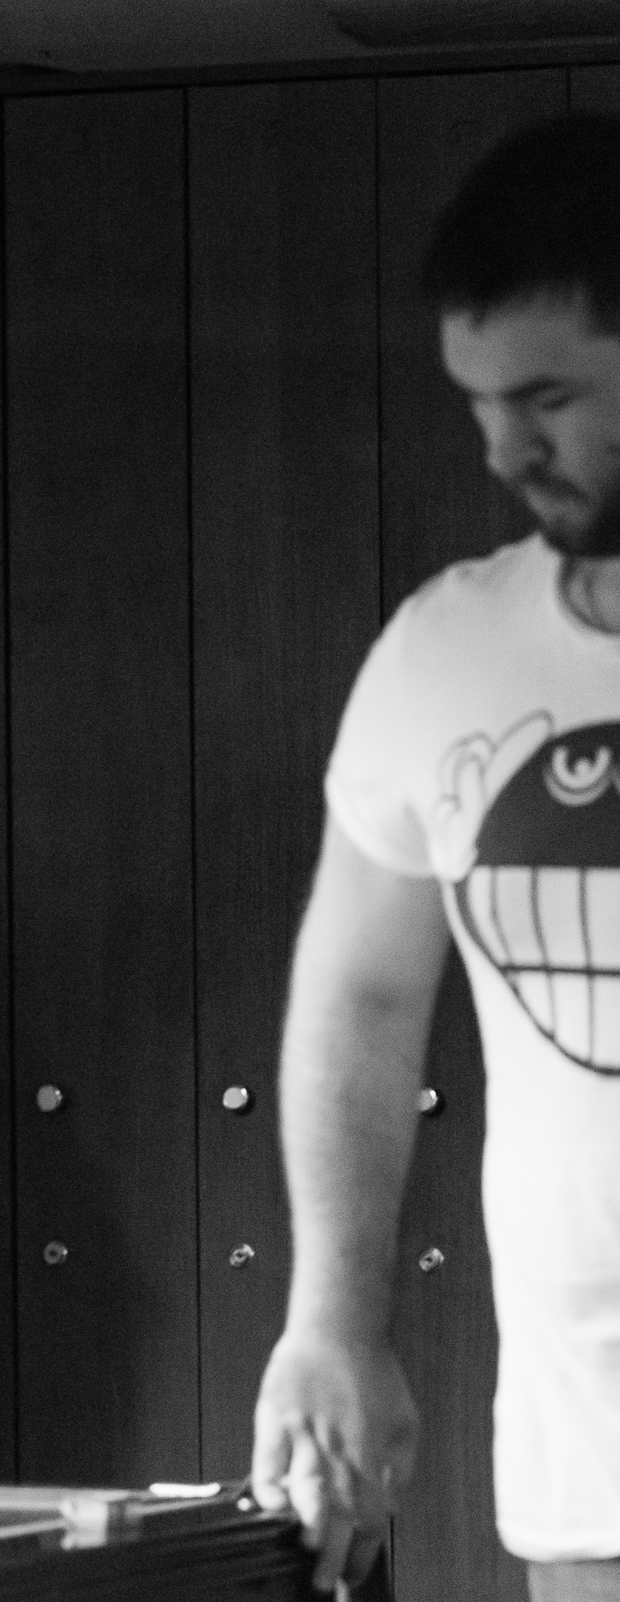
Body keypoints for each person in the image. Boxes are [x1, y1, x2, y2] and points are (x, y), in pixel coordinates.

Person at [252, 115, 620, 1597]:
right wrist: (333, 1321)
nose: (501, 448)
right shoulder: (444, 652)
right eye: (479, 402)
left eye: (548, 399)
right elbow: (359, 999)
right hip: (589, 1468)